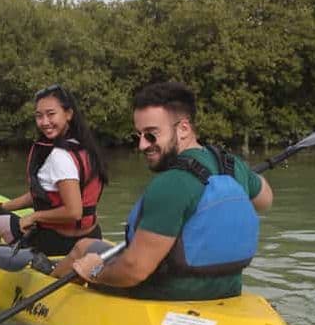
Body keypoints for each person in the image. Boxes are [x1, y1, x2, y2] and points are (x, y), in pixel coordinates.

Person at [54, 81, 273, 301]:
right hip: (226, 291)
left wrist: (95, 272)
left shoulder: (171, 184)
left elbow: (133, 271)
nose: (142, 145)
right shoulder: (231, 165)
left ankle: (43, 302)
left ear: (183, 129)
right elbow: (265, 199)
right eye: (138, 135)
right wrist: (238, 180)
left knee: (84, 249)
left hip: (165, 293)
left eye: (151, 134)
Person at [0, 84, 108, 260]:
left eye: (51, 114)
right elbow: (42, 196)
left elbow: (74, 212)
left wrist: (34, 216)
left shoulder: (60, 157)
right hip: (92, 237)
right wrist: (3, 206)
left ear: (69, 114)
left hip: (57, 243)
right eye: (39, 116)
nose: (44, 122)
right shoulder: (86, 147)